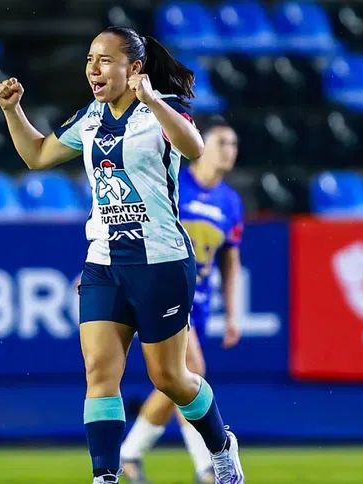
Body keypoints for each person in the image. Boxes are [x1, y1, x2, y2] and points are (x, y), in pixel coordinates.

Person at [0, 26, 245, 484]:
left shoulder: (163, 110)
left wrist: (152, 100)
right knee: (99, 373)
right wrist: (13, 112)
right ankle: (105, 476)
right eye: (90, 59)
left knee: (169, 378)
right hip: (104, 262)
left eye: (105, 60)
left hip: (161, 262)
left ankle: (221, 446)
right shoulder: (89, 118)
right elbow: (37, 155)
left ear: (134, 68)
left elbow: (194, 147)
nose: (93, 68)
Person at [120, 116, 245, 484]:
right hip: (163, 289)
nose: (229, 150)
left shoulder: (230, 202)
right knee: (194, 371)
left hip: (199, 303)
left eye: (234, 144)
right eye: (222, 142)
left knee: (175, 382)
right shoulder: (174, 181)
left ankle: (129, 453)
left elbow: (230, 262)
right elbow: (132, 221)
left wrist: (233, 314)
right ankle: (209, 466)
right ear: (201, 144)